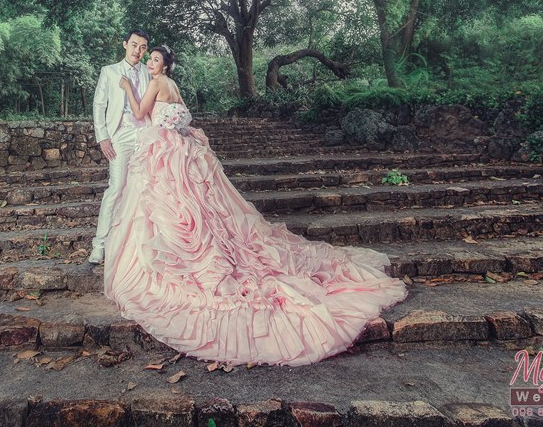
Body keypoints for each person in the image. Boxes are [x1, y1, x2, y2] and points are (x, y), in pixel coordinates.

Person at [103, 45, 407, 366]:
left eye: (155, 59)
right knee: (193, 207)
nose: (150, 63)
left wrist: (127, 89)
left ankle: (165, 260)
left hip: (165, 151)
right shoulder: (173, 85)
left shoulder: (156, 82)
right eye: (149, 59)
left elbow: (140, 113)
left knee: (167, 205)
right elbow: (179, 116)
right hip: (181, 148)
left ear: (164, 66)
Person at [88, 29, 151, 265]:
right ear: (125, 44)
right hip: (120, 134)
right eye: (134, 45)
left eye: (143, 47)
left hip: (145, 134)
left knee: (146, 188)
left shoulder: (149, 72)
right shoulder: (109, 71)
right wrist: (103, 137)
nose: (138, 51)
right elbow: (99, 105)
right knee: (116, 188)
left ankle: (139, 246)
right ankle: (99, 245)